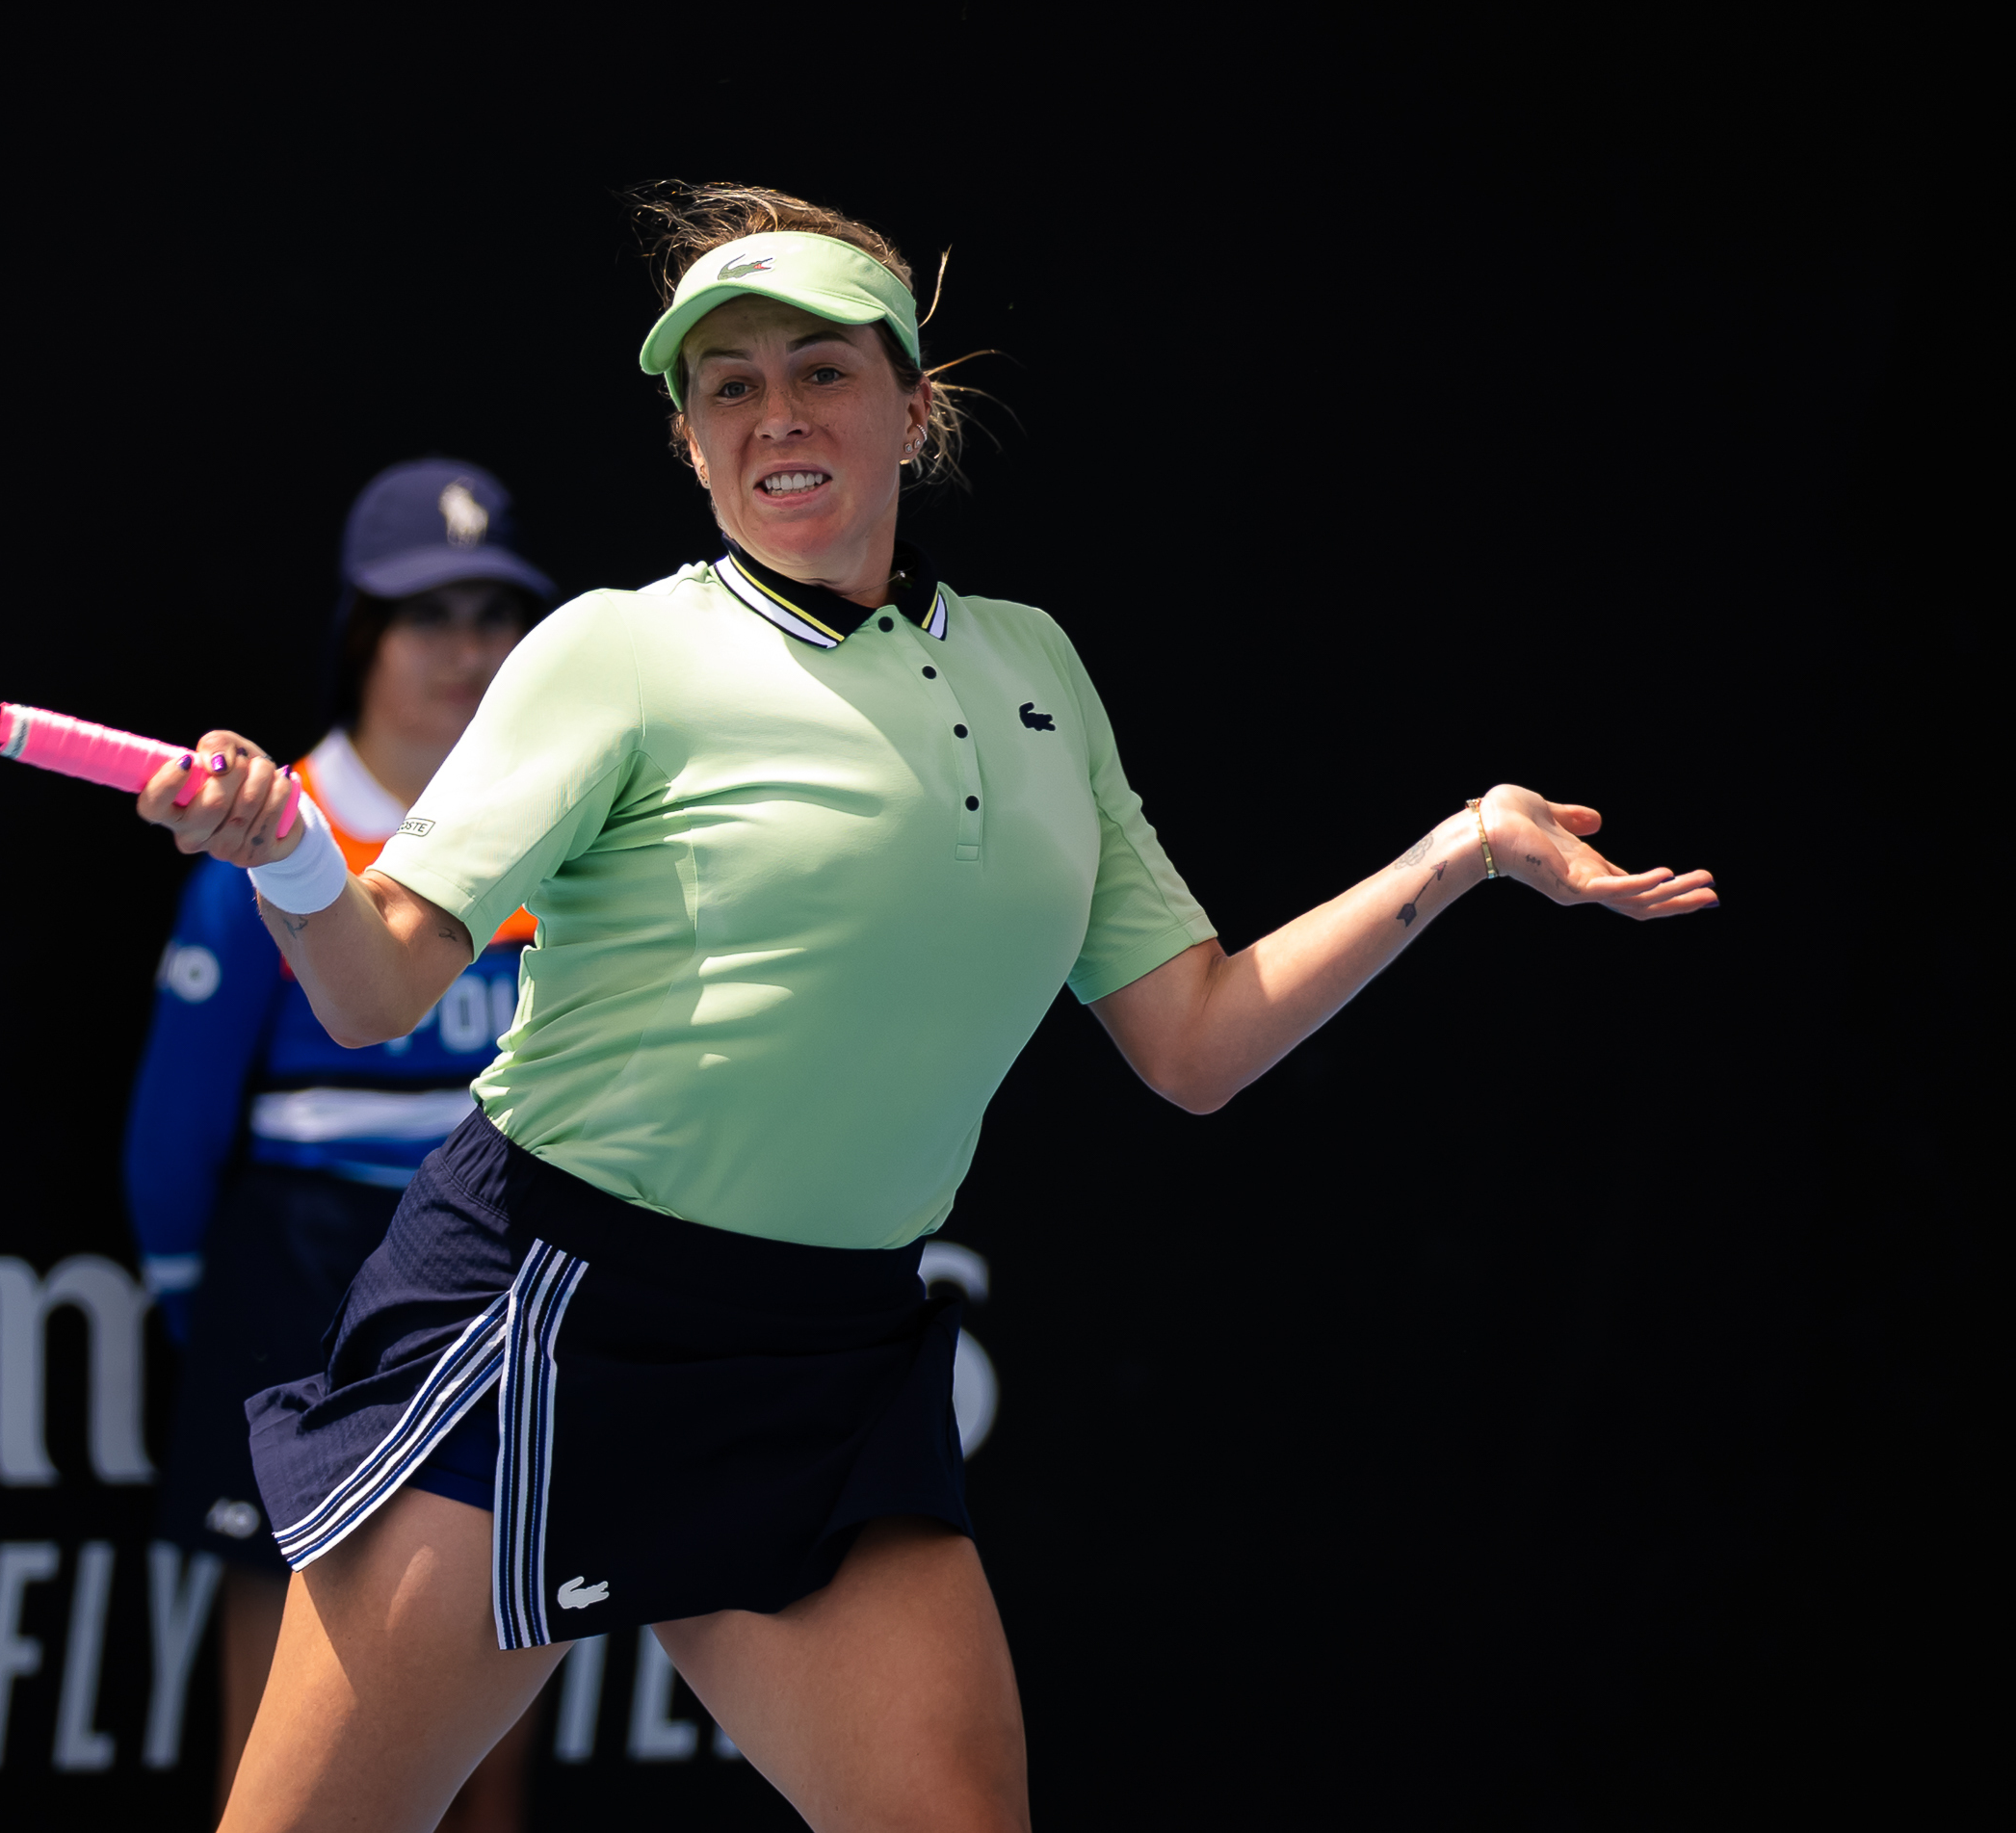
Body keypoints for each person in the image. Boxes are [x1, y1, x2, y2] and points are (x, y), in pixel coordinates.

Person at [137, 185, 1720, 1833]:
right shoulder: (614, 653)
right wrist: (292, 859)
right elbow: (380, 984)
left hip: (830, 1348)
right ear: (691, 443)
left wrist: (1465, 852)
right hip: (551, 1304)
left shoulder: (1037, 674)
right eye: (729, 386)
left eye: (819, 371)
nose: (775, 415)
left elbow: (1195, 1040)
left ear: (913, 406)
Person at [125, 458, 554, 1826]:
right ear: (362, 635)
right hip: (297, 1293)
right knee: (282, 1760)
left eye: (494, 616)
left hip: (505, 1297)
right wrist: (198, 1298)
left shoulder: (564, 840)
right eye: (430, 616)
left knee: (485, 1749)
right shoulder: (268, 832)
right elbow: (176, 1124)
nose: (468, 652)